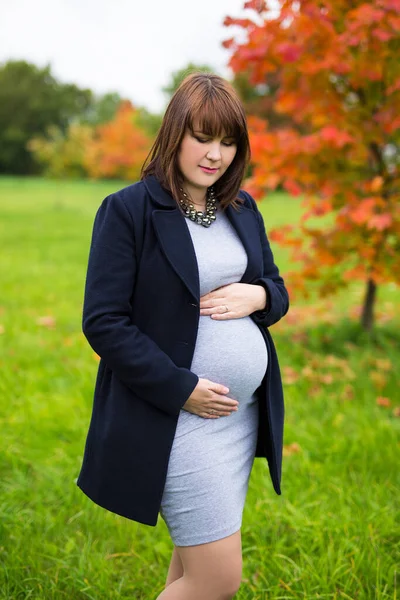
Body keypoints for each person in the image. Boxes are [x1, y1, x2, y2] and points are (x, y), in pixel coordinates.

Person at [77, 72, 289, 599]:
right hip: (177, 416)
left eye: (227, 140)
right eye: (203, 136)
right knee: (217, 577)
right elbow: (103, 321)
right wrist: (181, 388)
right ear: (175, 134)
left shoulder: (242, 207)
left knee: (192, 571)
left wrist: (257, 296)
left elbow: (278, 289)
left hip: (239, 417)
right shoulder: (129, 211)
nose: (215, 153)